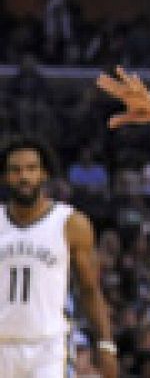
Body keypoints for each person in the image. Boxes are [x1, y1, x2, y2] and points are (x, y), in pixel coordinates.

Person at [1, 137, 119, 377]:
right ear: (4, 176)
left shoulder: (70, 223)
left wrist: (106, 344)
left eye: (31, 169)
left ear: (44, 174)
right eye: (16, 170)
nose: (24, 177)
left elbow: (89, 289)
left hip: (50, 347)